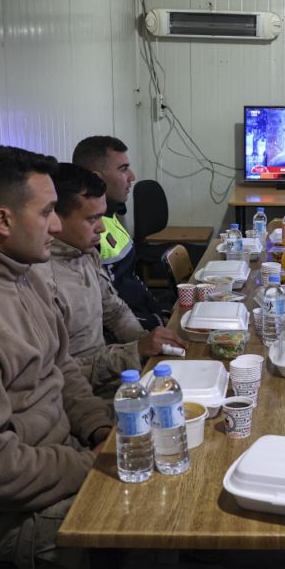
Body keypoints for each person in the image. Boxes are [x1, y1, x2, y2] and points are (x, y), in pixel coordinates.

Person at [0, 146, 112, 569]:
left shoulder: (26, 272)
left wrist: (101, 428)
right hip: (9, 516)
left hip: (61, 459)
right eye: (48, 211)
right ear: (2, 221)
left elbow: (63, 368)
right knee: (150, 517)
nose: (56, 224)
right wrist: (95, 463)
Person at [41, 163, 186, 397]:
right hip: (83, 395)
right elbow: (58, 375)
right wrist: (135, 351)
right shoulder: (41, 278)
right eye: (92, 219)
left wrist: (147, 343)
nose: (101, 228)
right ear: (56, 218)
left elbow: (115, 311)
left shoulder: (86, 253)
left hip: (113, 376)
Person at [72, 135, 166, 330]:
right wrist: (154, 325)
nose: (132, 176)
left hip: (143, 321)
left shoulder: (111, 214)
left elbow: (132, 281)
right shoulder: (86, 236)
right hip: (130, 334)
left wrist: (160, 314)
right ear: (97, 178)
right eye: (123, 169)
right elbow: (107, 313)